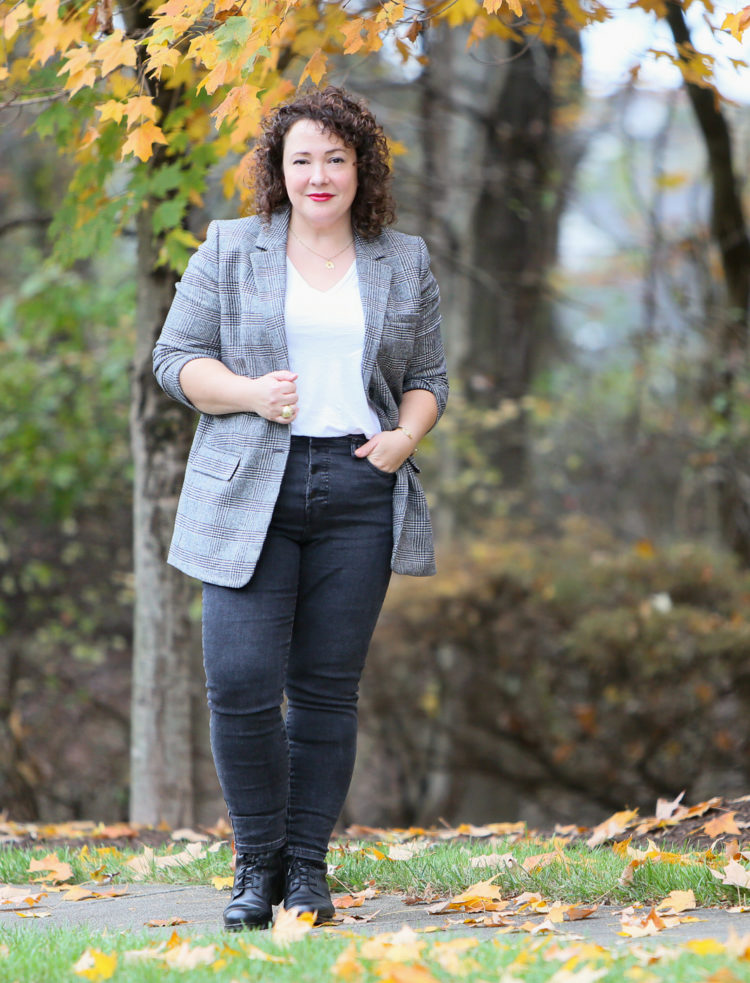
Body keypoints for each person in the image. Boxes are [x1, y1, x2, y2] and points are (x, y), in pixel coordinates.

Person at [152, 86, 448, 931]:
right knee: (241, 684)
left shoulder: (405, 259)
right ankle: (256, 866)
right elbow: (174, 360)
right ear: (278, 171)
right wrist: (248, 391)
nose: (319, 175)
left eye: (336, 158)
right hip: (250, 486)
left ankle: (308, 873)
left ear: (362, 168)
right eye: (302, 159)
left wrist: (403, 439)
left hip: (359, 486)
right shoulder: (232, 247)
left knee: (323, 691)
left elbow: (430, 378)